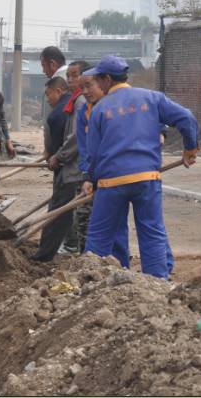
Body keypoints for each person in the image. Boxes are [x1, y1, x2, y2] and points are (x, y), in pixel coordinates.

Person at [81, 55, 198, 279]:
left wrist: (90, 179)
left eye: (98, 79)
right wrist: (190, 149)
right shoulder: (152, 98)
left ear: (107, 79)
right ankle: (157, 284)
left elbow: (93, 153)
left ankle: (91, 281)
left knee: (100, 235)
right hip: (147, 178)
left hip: (111, 182)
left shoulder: (99, 109)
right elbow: (186, 117)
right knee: (151, 232)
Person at [75, 73, 129, 261]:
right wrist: (88, 176)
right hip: (97, 174)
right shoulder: (84, 112)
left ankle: (120, 262)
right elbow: (85, 149)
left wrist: (161, 133)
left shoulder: (120, 105)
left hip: (121, 173)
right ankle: (95, 265)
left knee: (117, 224)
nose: (85, 92)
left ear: (102, 82)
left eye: (89, 86)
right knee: (94, 224)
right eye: (81, 88)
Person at [32, 76, 76, 261]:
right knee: (64, 210)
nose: (48, 98)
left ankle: (44, 254)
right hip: (68, 164)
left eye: (48, 94)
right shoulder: (71, 103)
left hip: (67, 167)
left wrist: (56, 156)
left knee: (57, 210)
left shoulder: (60, 111)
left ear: (58, 91)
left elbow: (68, 138)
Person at [48, 60, 89, 253]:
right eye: (69, 76)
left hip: (79, 166)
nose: (71, 79)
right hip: (75, 164)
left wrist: (60, 156)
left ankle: (81, 251)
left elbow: (76, 137)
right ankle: (79, 249)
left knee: (82, 214)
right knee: (80, 212)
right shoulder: (75, 99)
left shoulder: (81, 101)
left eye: (75, 75)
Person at [39, 46, 68, 121]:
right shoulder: (70, 77)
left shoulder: (57, 83)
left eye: (43, 65)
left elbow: (50, 115)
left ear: (52, 64)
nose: (43, 71)